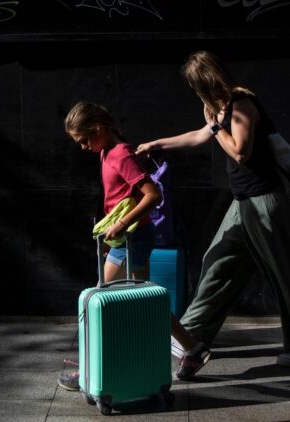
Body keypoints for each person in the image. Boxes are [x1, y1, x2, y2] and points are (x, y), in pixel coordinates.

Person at [135, 50, 290, 379]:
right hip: (243, 204)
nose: (195, 94)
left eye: (195, 87)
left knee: (286, 275)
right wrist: (158, 143)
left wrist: (214, 129)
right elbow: (199, 135)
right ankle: (191, 337)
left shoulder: (241, 104)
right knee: (218, 263)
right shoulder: (219, 109)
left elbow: (240, 152)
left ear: (204, 82)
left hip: (265, 202)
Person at [58, 101, 208, 391]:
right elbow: (119, 198)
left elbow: (151, 196)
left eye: (84, 140)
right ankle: (192, 347)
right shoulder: (106, 152)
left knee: (92, 303)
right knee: (145, 300)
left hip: (134, 237)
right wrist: (112, 232)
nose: (83, 147)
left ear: (99, 128)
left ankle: (86, 369)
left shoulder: (120, 154)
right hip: (126, 237)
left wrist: (121, 226)